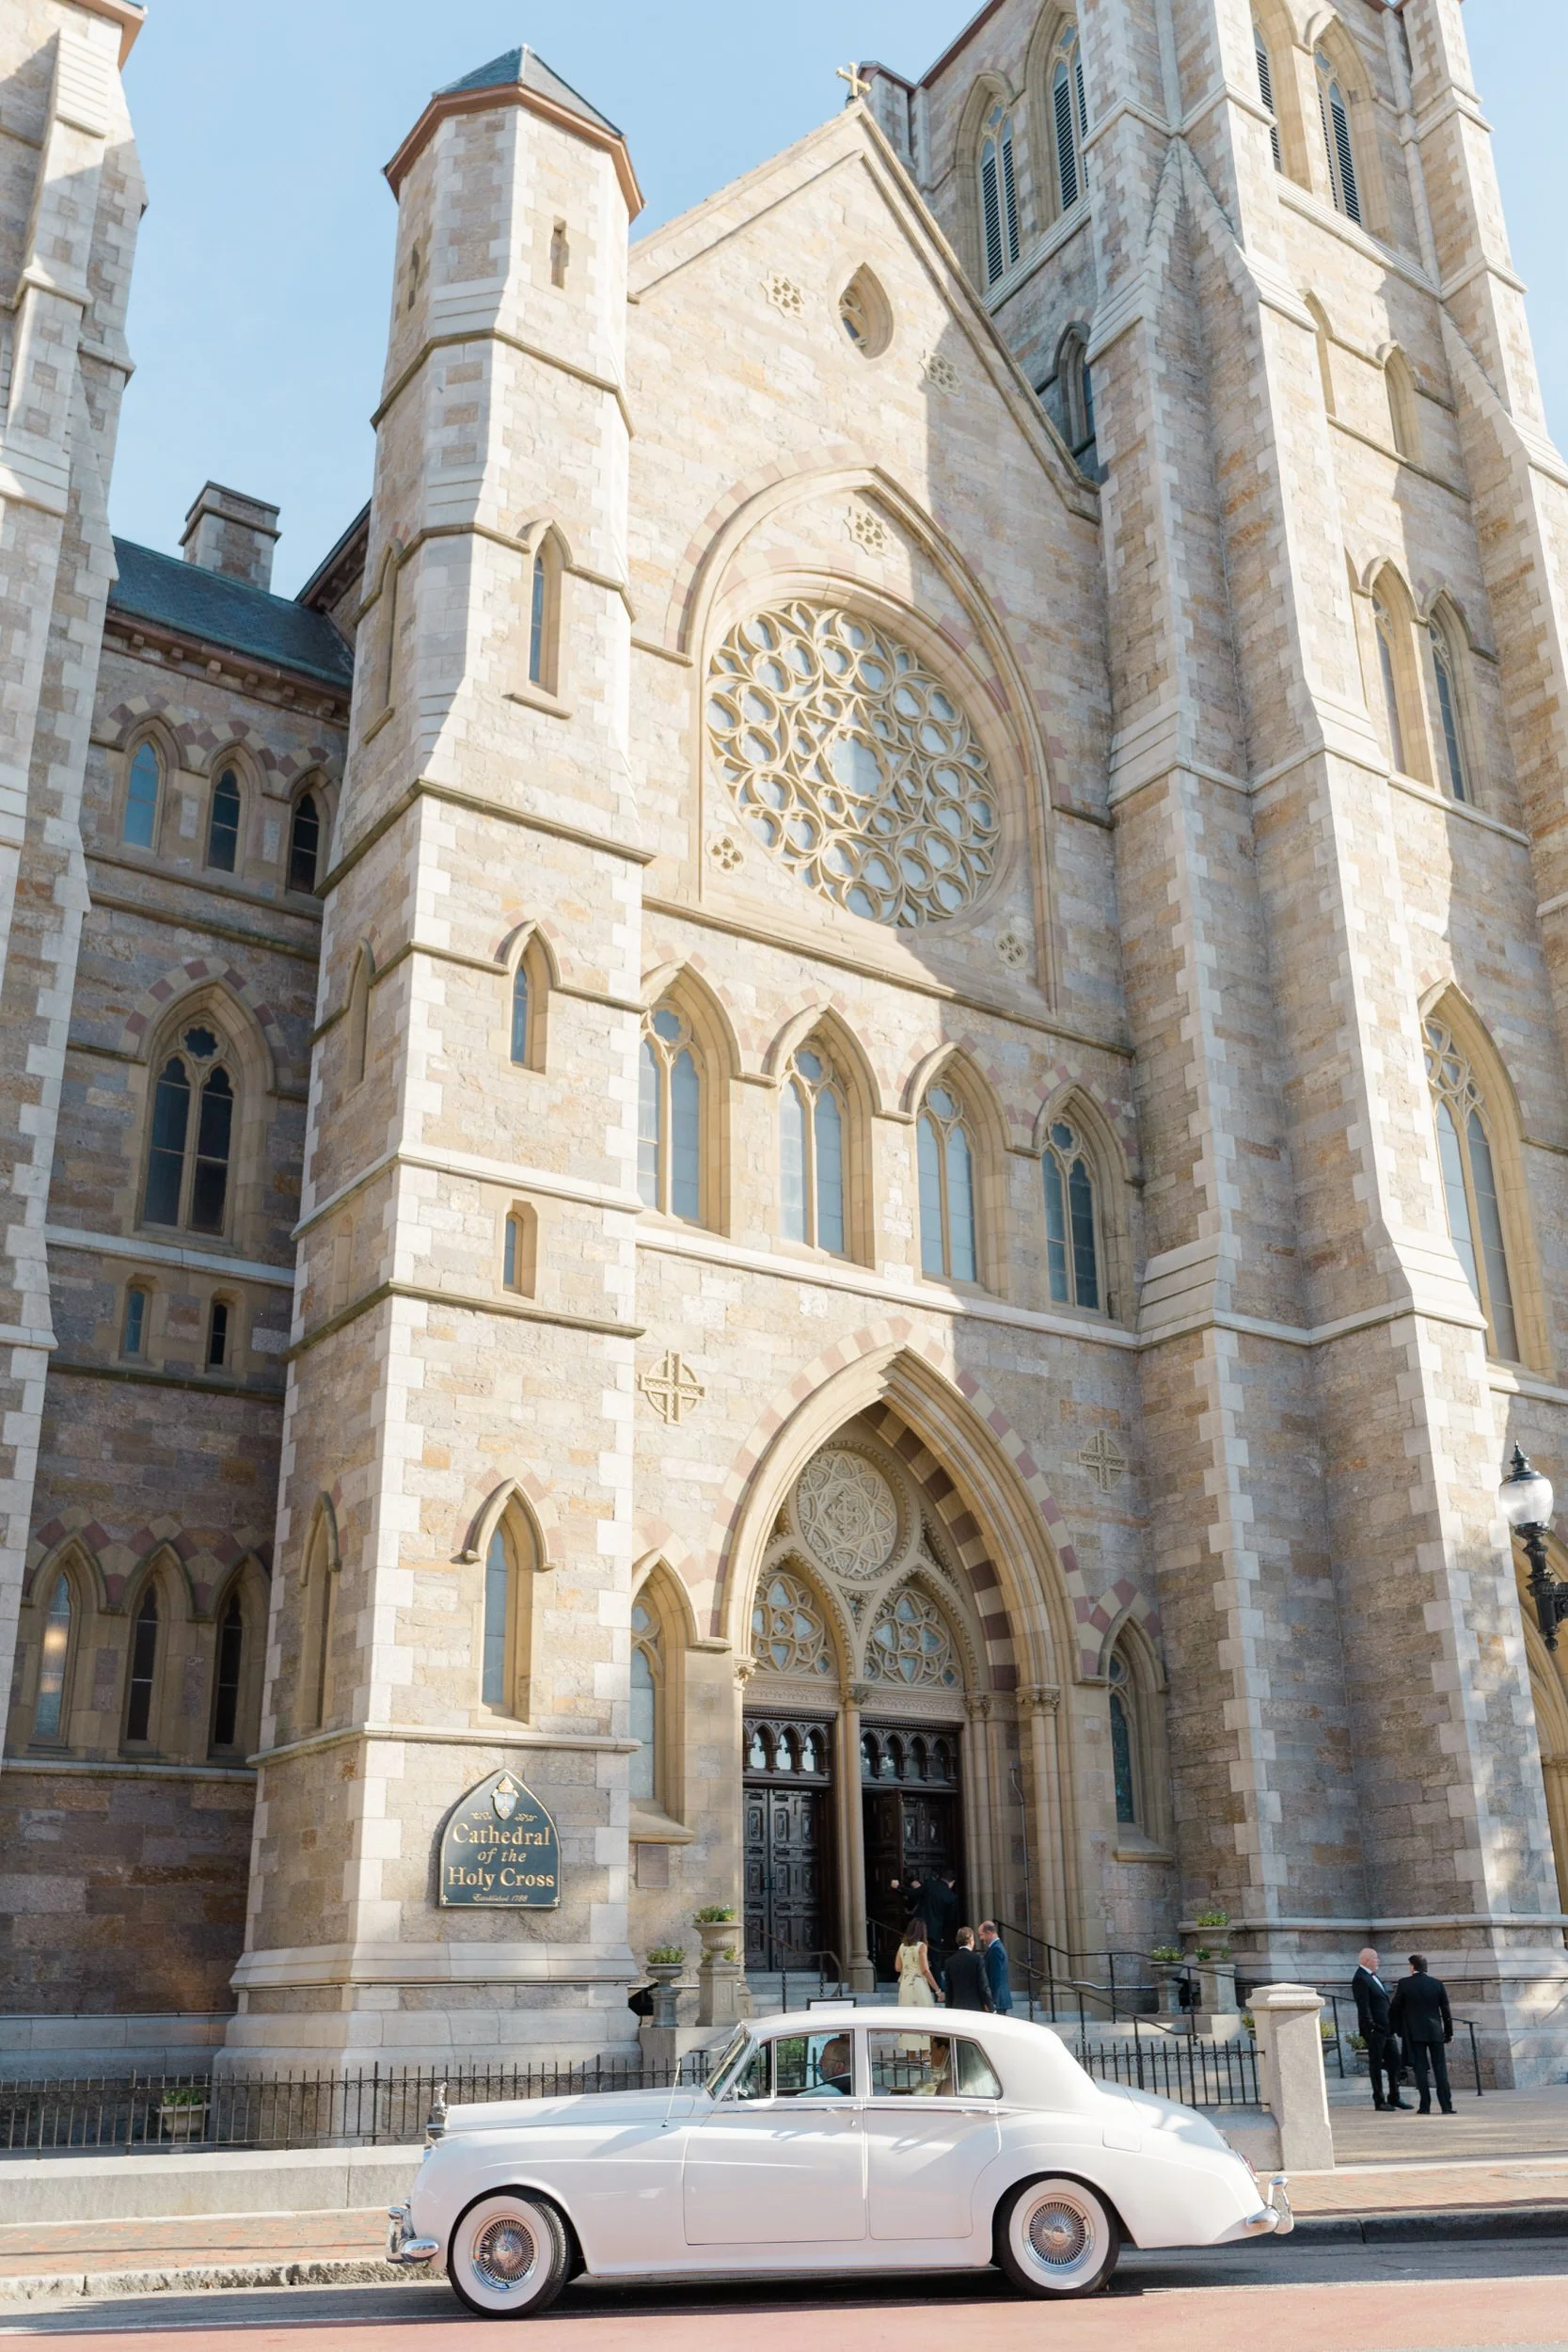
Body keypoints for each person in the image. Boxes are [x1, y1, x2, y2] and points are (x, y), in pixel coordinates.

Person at [1387, 1953, 1454, 2115]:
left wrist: (1396, 2027)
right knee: (1440, 2069)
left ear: (1412, 1966)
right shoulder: (1437, 1984)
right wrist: (1448, 2032)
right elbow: (1445, 2010)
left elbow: (1395, 2007)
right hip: (1435, 2031)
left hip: (1415, 2032)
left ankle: (1425, 2106)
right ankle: (1446, 2106)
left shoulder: (1404, 1984)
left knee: (1421, 2069)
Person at [1351, 1946, 1405, 2111]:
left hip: (1387, 2027)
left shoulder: (1374, 1977)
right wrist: (1371, 2026)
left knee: (1395, 2061)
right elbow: (1363, 2005)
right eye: (1375, 1958)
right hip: (1376, 2029)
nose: (1378, 1961)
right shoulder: (1360, 1978)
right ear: (1367, 1961)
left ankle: (1395, 2096)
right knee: (1376, 2064)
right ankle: (1379, 2100)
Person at [943, 1927, 994, 2012]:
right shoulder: (977, 1959)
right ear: (971, 1940)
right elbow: (984, 1986)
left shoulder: (949, 1962)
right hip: (975, 2008)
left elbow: (948, 1990)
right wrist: (991, 2007)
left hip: (957, 2008)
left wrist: (949, 2009)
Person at [895, 1915, 942, 2006]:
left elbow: (898, 1967)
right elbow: (925, 1970)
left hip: (905, 1984)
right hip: (918, 1984)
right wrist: (938, 1990)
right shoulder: (921, 1946)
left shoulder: (902, 1946)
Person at [978, 1921, 1013, 2015]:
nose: (981, 1938)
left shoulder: (996, 1950)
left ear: (989, 1933)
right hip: (998, 2000)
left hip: (997, 2001)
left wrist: (992, 2002)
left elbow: (995, 1977)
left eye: (981, 1935)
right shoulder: (995, 1948)